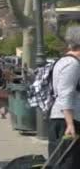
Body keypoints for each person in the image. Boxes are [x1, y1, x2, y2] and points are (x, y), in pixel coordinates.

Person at [48, 26, 80, 168]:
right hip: (66, 120)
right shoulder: (72, 64)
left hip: (63, 118)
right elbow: (65, 94)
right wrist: (70, 124)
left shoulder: (65, 61)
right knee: (67, 163)